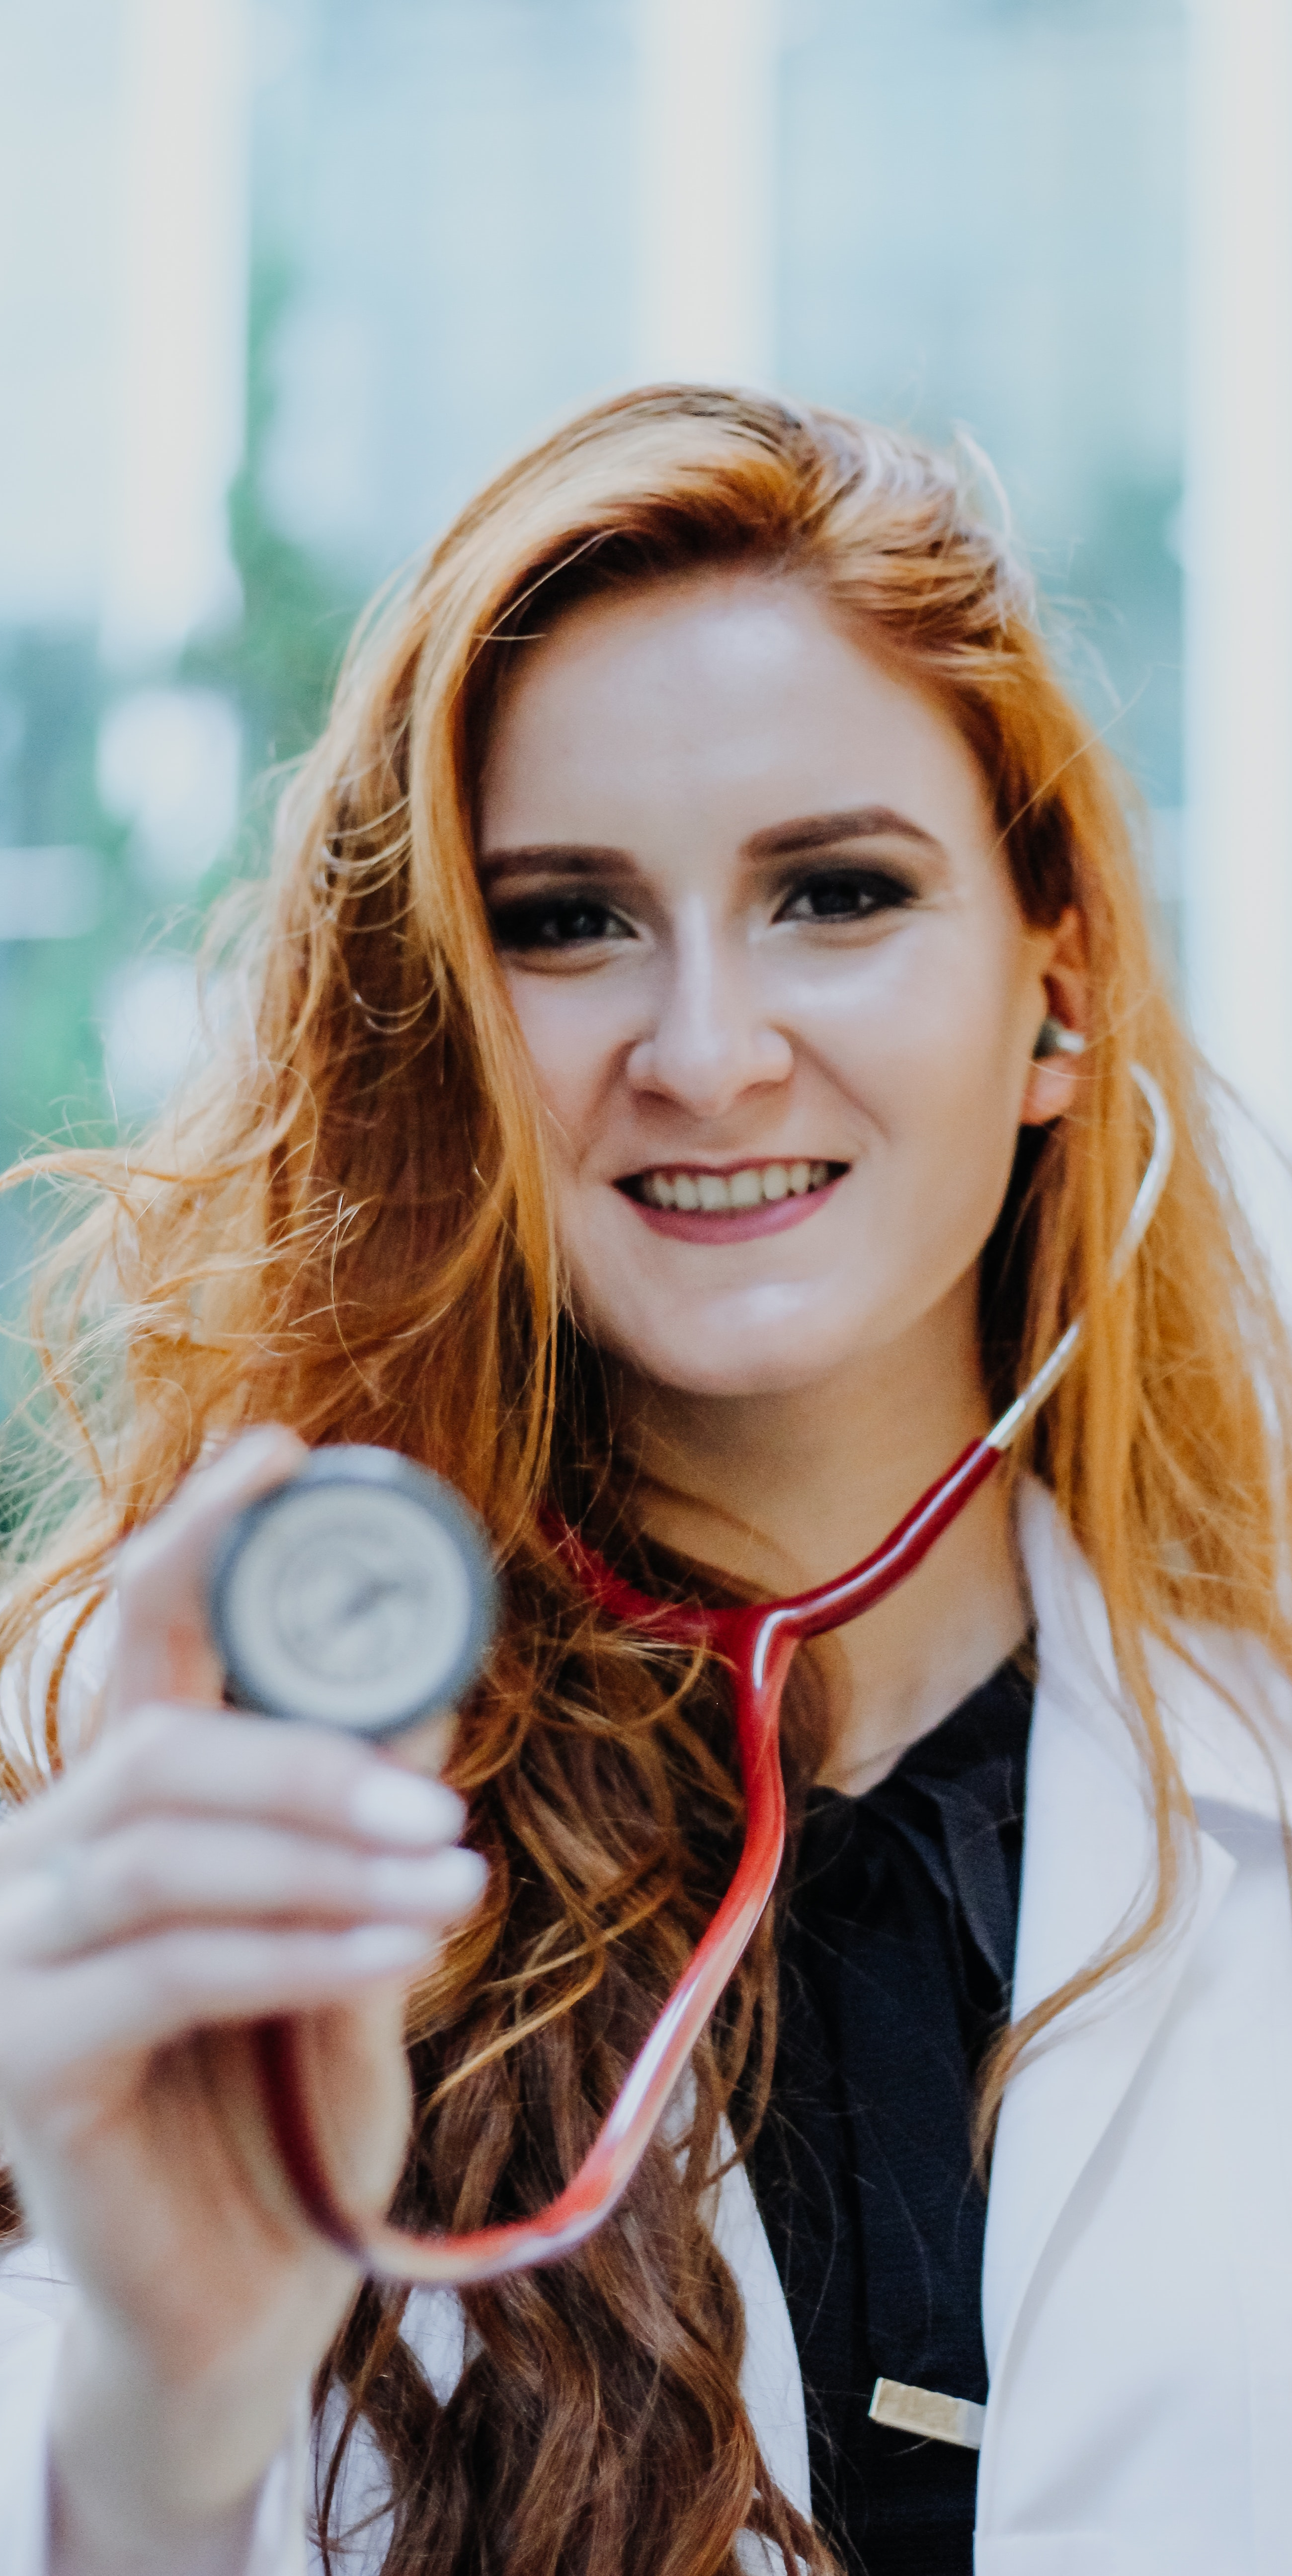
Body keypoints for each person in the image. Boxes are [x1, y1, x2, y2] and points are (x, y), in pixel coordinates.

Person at [0, 387, 1289, 2576]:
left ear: (1050, 986)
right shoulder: (117, 1811)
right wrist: (164, 2422)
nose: (702, 1051)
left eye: (835, 893)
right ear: (441, 1024)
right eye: (566, 922)